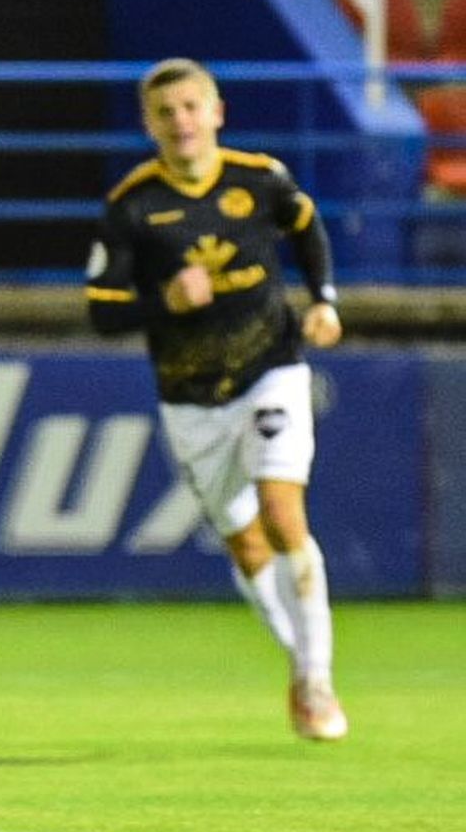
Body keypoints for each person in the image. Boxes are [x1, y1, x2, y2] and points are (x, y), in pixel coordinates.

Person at [85, 57, 347, 741]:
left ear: (217, 111)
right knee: (245, 543)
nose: (182, 122)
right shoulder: (132, 206)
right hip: (191, 396)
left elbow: (308, 226)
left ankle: (317, 681)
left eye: (192, 107)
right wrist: (162, 300)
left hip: (272, 369)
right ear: (149, 123)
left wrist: (323, 301)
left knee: (282, 511)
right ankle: (300, 662)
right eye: (166, 112)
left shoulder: (260, 179)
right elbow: (102, 311)